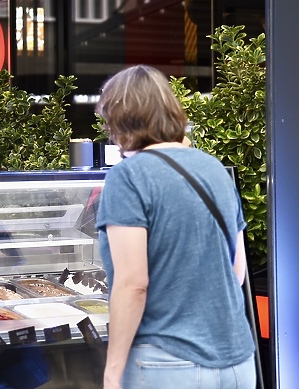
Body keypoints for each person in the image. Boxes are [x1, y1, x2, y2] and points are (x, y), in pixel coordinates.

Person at [94, 65, 255, 389]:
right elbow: (237, 273)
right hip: (238, 363)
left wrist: (112, 373)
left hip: (168, 363)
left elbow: (132, 284)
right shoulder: (215, 169)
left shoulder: (129, 177)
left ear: (119, 121)